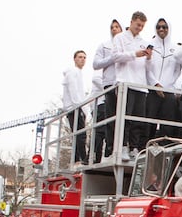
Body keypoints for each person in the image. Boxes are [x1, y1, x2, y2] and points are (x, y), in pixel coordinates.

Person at [113, 11, 156, 160]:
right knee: (126, 118)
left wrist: (148, 58)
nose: (139, 28)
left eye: (142, 26)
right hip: (125, 82)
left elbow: (148, 67)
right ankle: (123, 146)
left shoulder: (143, 41)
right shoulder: (120, 38)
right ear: (131, 22)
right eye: (138, 25)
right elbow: (116, 57)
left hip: (140, 84)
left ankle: (134, 147)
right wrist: (134, 54)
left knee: (139, 119)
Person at [146, 18, 182, 140]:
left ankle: (165, 147)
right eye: (159, 27)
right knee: (149, 122)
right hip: (152, 89)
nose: (161, 29)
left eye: (164, 27)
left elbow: (177, 70)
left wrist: (167, 85)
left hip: (168, 90)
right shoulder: (149, 45)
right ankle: (144, 147)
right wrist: (155, 84)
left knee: (168, 122)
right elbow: (147, 67)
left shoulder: (176, 48)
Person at [92, 19, 123, 161]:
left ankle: (122, 146)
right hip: (110, 84)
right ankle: (110, 150)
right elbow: (96, 64)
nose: (114, 29)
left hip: (125, 83)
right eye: (112, 27)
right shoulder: (104, 45)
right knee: (111, 118)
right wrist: (113, 58)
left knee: (125, 118)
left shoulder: (126, 44)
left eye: (117, 27)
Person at [62, 50, 88, 165]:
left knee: (78, 134)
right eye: (80, 57)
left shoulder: (78, 73)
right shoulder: (72, 72)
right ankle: (83, 158)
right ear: (74, 59)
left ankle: (77, 159)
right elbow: (73, 90)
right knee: (80, 134)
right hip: (74, 108)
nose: (82, 59)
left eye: (84, 57)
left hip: (76, 107)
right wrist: (79, 106)